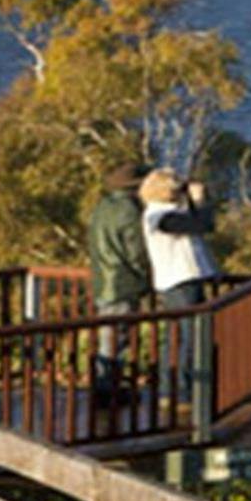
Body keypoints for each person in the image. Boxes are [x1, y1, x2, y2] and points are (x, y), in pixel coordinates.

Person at [141, 169, 219, 395]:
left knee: (179, 336)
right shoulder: (161, 217)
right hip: (179, 283)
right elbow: (203, 225)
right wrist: (199, 201)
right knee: (191, 337)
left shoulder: (164, 214)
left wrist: (194, 202)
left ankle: (172, 389)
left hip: (181, 282)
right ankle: (184, 391)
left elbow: (199, 224)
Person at [86, 162, 151, 404]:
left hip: (103, 279)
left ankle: (105, 388)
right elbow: (136, 252)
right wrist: (144, 277)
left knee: (108, 336)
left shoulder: (102, 207)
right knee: (116, 339)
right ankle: (107, 391)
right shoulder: (129, 211)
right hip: (122, 282)